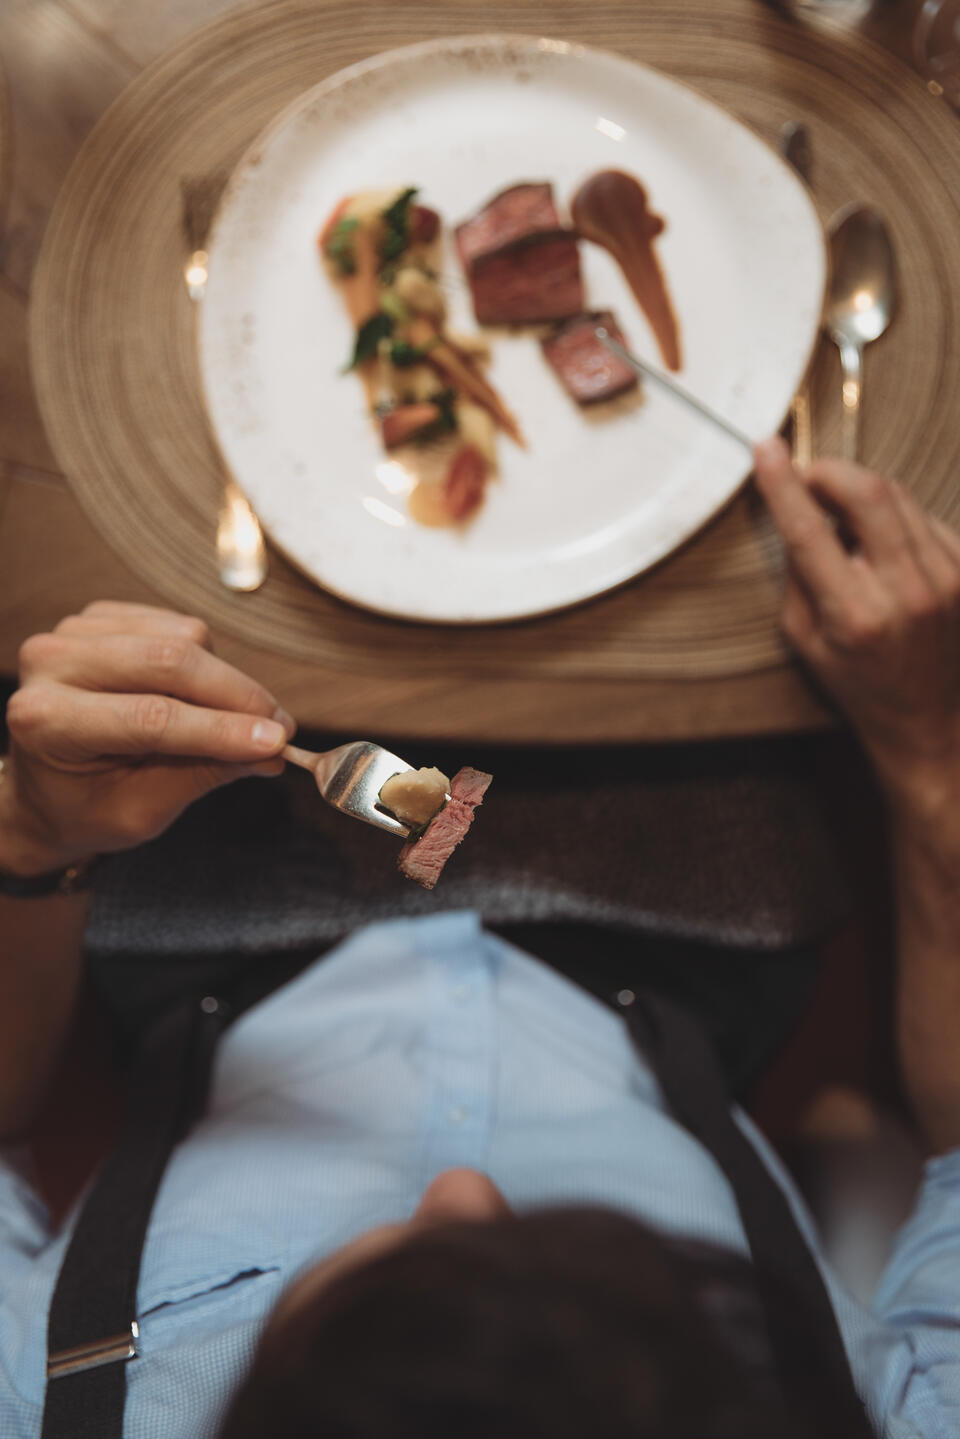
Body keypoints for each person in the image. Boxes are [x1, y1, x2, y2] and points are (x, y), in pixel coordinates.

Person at [0, 436, 958, 1438]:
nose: (462, 1189)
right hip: (679, 923)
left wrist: (33, 833)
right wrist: (928, 742)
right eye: (608, 1299)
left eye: (360, 1321)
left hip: (197, 900)